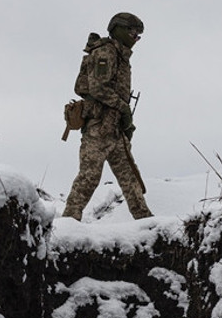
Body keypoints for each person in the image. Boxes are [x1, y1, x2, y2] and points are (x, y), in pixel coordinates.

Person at [62, 12, 154, 221]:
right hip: (98, 128)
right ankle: (68, 224)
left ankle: (146, 222)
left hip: (114, 130)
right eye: (132, 32)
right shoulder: (106, 52)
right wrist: (124, 109)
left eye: (138, 35)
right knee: (89, 178)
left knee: (130, 179)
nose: (135, 37)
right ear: (119, 29)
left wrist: (124, 121)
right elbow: (97, 88)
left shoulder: (120, 55)